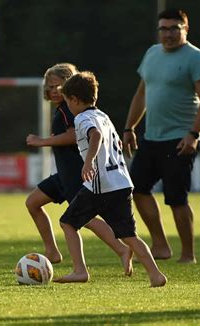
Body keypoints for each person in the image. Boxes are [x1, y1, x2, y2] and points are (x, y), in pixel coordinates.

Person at [55, 71, 167, 287]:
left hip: (100, 185)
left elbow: (95, 135)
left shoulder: (82, 118)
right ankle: (155, 274)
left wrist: (88, 162)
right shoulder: (103, 116)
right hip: (122, 183)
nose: (68, 105)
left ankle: (80, 271)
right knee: (129, 235)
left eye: (67, 100)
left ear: (75, 100)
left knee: (68, 223)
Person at [123, 8, 200, 263]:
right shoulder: (152, 54)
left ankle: (188, 255)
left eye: (174, 28)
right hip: (152, 137)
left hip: (181, 139)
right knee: (137, 189)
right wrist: (129, 128)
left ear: (186, 29)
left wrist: (194, 134)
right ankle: (160, 245)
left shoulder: (196, 58)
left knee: (176, 198)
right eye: (163, 29)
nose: (168, 34)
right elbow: (141, 94)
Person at [25, 63, 133, 276]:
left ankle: (121, 249)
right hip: (63, 175)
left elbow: (74, 135)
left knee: (85, 219)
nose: (53, 90)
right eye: (50, 86)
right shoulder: (63, 109)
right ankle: (52, 251)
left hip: (76, 173)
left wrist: (42, 141)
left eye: (58, 86)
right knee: (33, 202)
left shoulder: (69, 109)